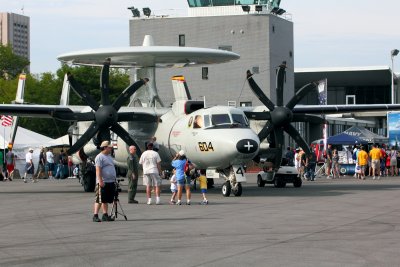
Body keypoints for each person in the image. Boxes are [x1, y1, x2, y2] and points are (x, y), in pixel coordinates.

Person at [92, 141, 116, 222]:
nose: (111, 148)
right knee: (99, 199)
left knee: (105, 199)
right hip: (103, 181)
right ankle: (95, 215)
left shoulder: (109, 156)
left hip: (110, 181)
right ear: (105, 147)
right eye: (109, 147)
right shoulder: (99, 157)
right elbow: (98, 170)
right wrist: (100, 181)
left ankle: (105, 215)